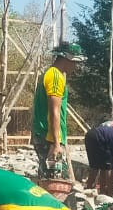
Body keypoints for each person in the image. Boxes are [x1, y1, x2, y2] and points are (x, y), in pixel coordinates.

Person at [31, 43, 85, 179]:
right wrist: (56, 143)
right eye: (75, 62)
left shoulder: (51, 74)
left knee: (48, 176)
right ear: (67, 59)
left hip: (46, 135)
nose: (75, 66)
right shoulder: (55, 77)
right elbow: (54, 111)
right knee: (54, 180)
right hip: (48, 137)